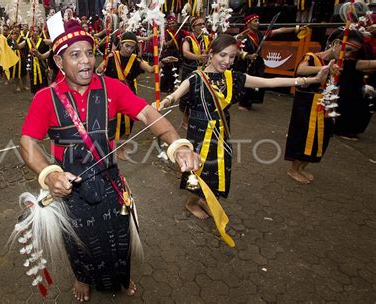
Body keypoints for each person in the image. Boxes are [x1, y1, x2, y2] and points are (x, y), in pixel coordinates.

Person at [20, 19, 200, 302]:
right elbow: (27, 142)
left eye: (89, 52)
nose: (86, 61)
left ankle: (121, 276)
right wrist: (49, 175)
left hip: (110, 182)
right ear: (58, 60)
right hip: (70, 188)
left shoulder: (112, 88)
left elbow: (147, 114)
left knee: (119, 237)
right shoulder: (45, 98)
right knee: (78, 242)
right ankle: (83, 277)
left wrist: (177, 144)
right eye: (75, 54)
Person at [158, 34, 329, 219]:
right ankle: (191, 202)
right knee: (199, 169)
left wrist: (309, 80)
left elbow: (269, 82)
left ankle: (205, 198)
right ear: (211, 53)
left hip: (221, 132)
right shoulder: (196, 77)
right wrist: (164, 101)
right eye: (222, 55)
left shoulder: (235, 78)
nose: (227, 61)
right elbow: (175, 95)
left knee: (218, 169)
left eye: (232, 57)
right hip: (199, 134)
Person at [285, 30, 370, 183]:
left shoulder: (339, 65)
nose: (349, 54)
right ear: (336, 44)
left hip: (326, 107)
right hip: (307, 107)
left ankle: (302, 168)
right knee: (305, 137)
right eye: (348, 49)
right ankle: (293, 169)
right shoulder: (312, 57)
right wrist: (324, 69)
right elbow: (300, 70)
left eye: (353, 52)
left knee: (321, 139)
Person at [98, 31, 178, 160]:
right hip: (111, 94)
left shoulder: (135, 59)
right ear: (121, 44)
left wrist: (162, 62)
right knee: (113, 121)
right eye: (127, 46)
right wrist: (101, 68)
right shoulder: (112, 56)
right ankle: (115, 147)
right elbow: (99, 70)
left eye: (132, 47)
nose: (129, 49)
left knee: (128, 121)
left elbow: (151, 69)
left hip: (128, 94)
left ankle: (121, 145)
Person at [235, 14, 305, 110]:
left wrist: (297, 28)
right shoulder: (242, 36)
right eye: (255, 21)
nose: (258, 23)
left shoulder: (260, 34)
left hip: (257, 62)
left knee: (258, 81)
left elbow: (279, 30)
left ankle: (250, 101)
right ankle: (242, 103)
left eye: (258, 21)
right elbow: (236, 50)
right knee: (246, 81)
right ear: (248, 23)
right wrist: (247, 56)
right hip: (245, 63)